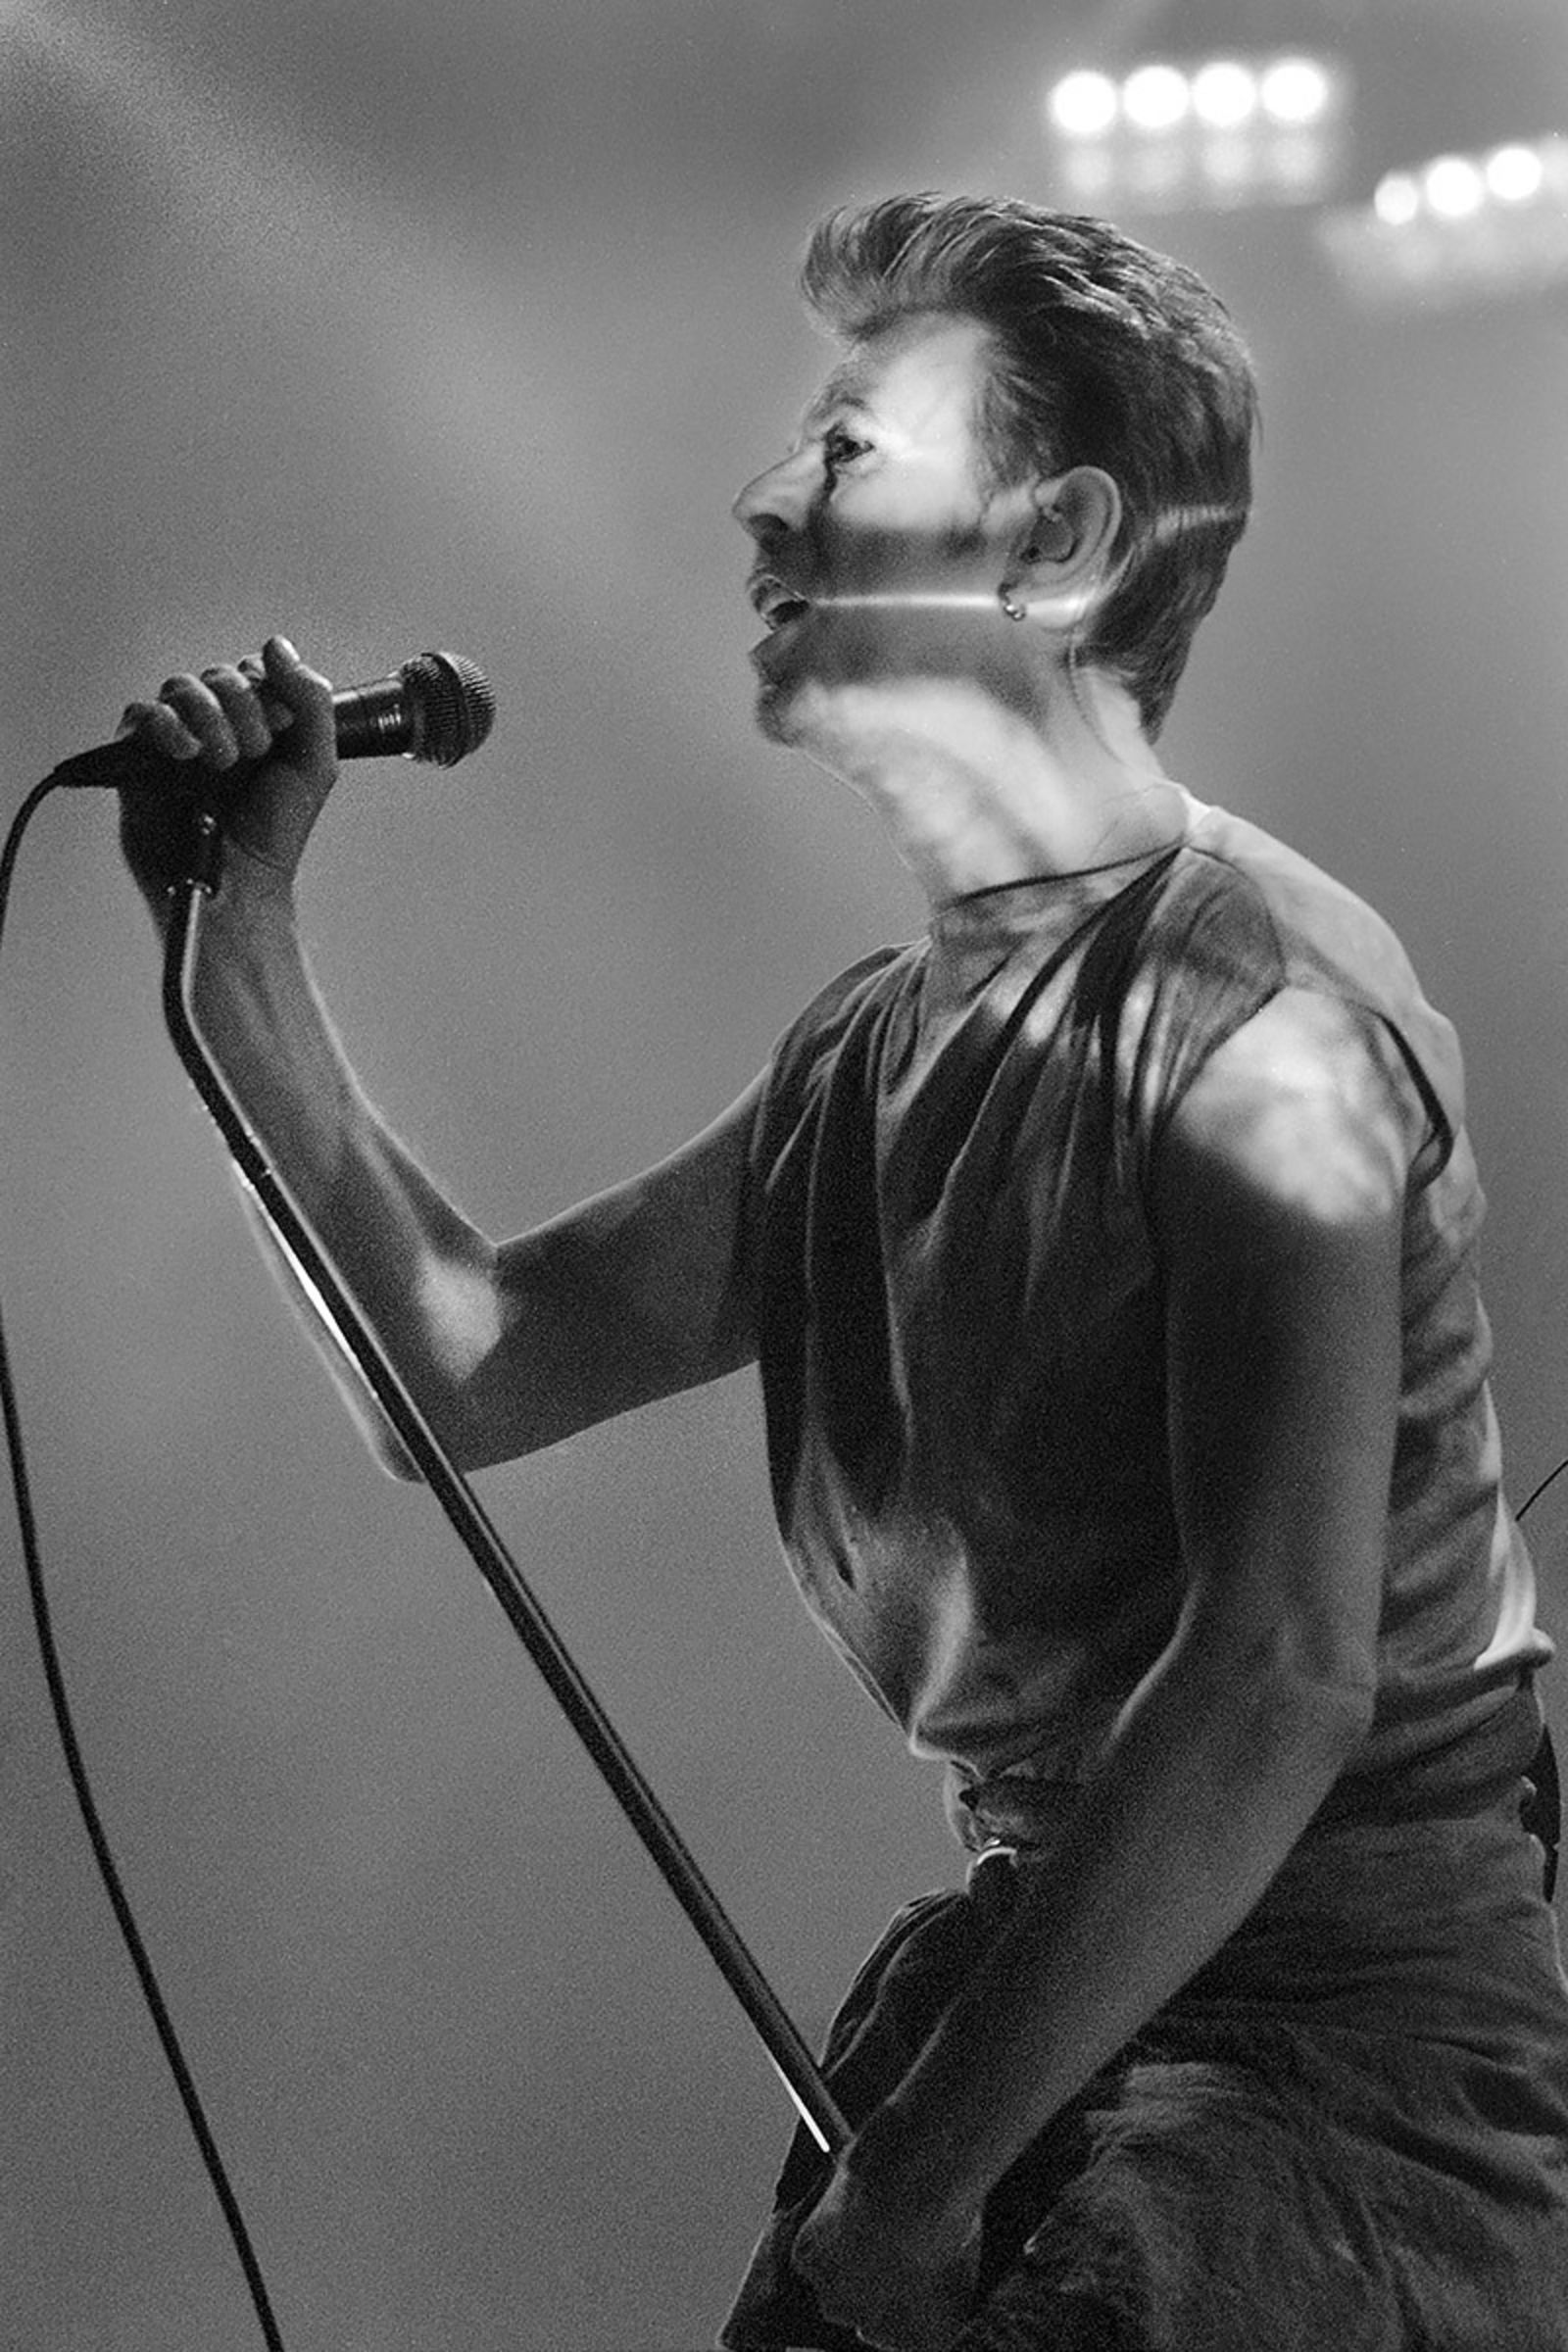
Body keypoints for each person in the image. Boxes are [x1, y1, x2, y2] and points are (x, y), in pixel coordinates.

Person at [116, 194, 1568, 2352]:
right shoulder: (867, 1055)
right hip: (1073, 2014)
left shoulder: (1261, 1017)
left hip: (1336, 2105)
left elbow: (1277, 1672)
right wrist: (231, 937)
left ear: (1055, 539)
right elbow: (469, 1365)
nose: (762, 500)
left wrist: (924, 2173)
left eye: (850, 450)